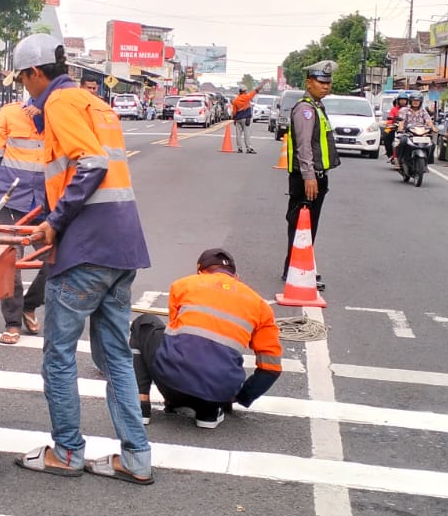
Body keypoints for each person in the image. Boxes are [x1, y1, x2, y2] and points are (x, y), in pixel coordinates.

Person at [8, 34, 154, 486]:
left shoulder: (60, 103)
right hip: (121, 247)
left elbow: (91, 164)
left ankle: (68, 451)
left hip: (86, 250)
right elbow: (80, 171)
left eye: (23, 79)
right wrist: (47, 215)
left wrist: (55, 223)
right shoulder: (96, 103)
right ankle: (137, 457)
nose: (24, 89)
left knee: (58, 355)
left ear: (35, 72)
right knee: (115, 357)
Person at [132, 248, 283, 429]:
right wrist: (240, 397)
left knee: (143, 323)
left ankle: (140, 405)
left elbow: (173, 335)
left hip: (171, 383)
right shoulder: (260, 306)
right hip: (218, 395)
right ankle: (209, 413)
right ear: (236, 276)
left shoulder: (183, 285)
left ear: (200, 271)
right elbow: (271, 368)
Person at [0, 95, 48, 344]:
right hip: (11, 199)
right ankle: (13, 322)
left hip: (46, 203)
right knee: (9, 264)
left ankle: (30, 304)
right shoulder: (9, 113)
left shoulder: (59, 115)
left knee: (56, 260)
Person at [282, 59, 339, 290]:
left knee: (307, 226)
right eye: (320, 82)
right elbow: (304, 146)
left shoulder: (316, 107)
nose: (325, 86)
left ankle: (297, 267)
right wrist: (309, 176)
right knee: (302, 225)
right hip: (308, 178)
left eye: (328, 83)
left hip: (316, 175)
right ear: (309, 83)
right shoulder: (305, 109)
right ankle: (297, 270)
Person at [230, 86, 258, 153]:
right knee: (247, 134)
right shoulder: (247, 97)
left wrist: (234, 120)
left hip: (238, 119)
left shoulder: (236, 100)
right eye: (246, 91)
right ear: (244, 91)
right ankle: (248, 148)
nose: (246, 92)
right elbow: (255, 92)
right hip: (246, 119)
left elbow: (234, 112)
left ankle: (239, 148)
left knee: (238, 134)